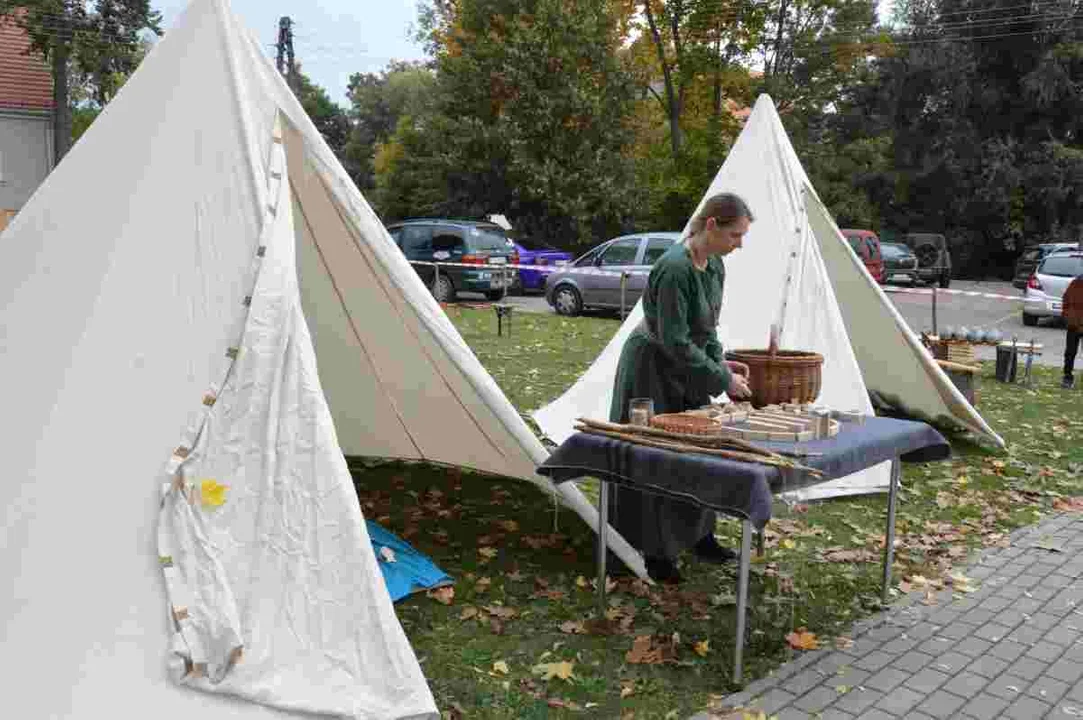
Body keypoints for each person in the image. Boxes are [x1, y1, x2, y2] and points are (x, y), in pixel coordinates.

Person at [608, 193, 754, 583]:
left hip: (685, 366)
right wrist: (722, 379)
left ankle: (698, 535)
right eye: (735, 235)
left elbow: (705, 331)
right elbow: (673, 340)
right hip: (652, 368)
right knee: (656, 455)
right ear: (711, 226)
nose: (739, 244)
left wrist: (720, 363)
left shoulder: (715, 265)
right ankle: (654, 550)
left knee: (696, 450)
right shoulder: (674, 268)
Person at [1062, 273, 1083, 389]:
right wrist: (1068, 317)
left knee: (1070, 352)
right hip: (1073, 325)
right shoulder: (1075, 284)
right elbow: (1065, 301)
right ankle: (1067, 377)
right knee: (1070, 352)